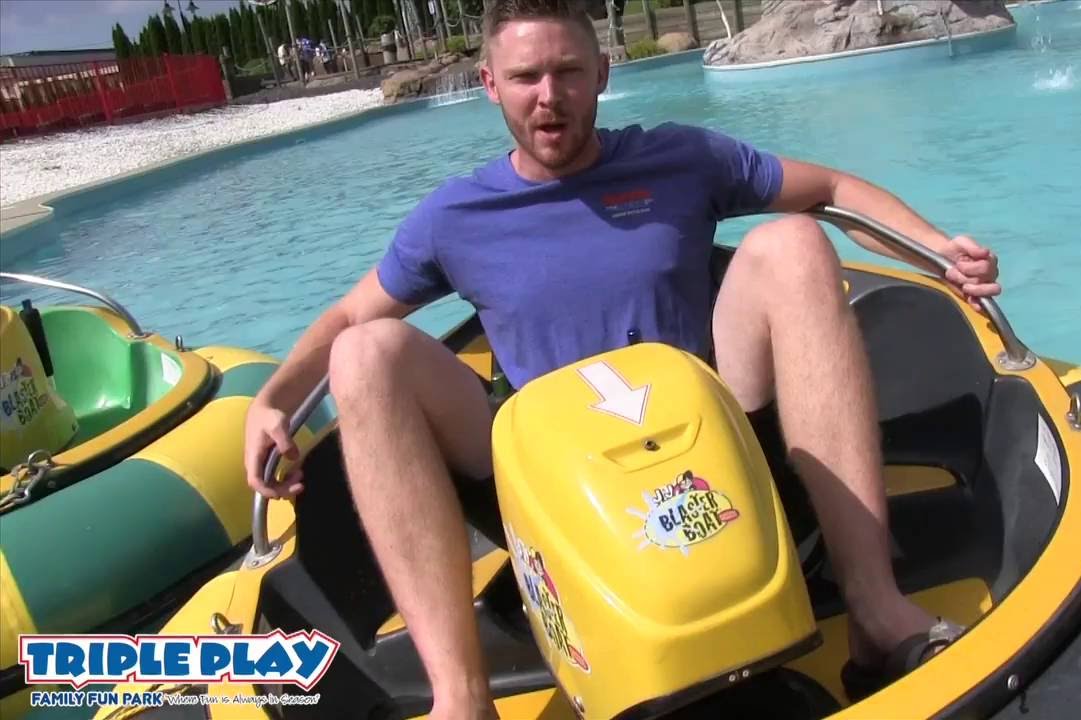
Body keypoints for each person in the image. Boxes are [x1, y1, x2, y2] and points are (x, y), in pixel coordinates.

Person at [243, 1, 1001, 718]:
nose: (549, 96)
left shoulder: (682, 158)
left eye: (568, 72)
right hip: (549, 487)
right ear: (490, 85)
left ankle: (874, 608)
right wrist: (272, 400)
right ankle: (463, 698)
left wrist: (939, 251)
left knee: (794, 241)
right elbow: (349, 314)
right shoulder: (455, 216)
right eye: (525, 77)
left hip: (708, 448)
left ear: (602, 73)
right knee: (364, 351)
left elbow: (830, 189)